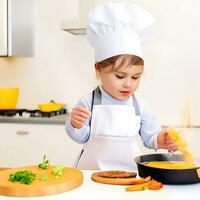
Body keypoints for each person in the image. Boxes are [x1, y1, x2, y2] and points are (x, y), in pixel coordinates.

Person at [65, 2, 177, 170]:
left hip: (129, 174)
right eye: (120, 76)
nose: (128, 84)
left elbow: (151, 137)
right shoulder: (89, 102)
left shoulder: (140, 105)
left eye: (135, 77)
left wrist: (161, 139)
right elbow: (82, 137)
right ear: (98, 69)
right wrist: (75, 124)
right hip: (92, 174)